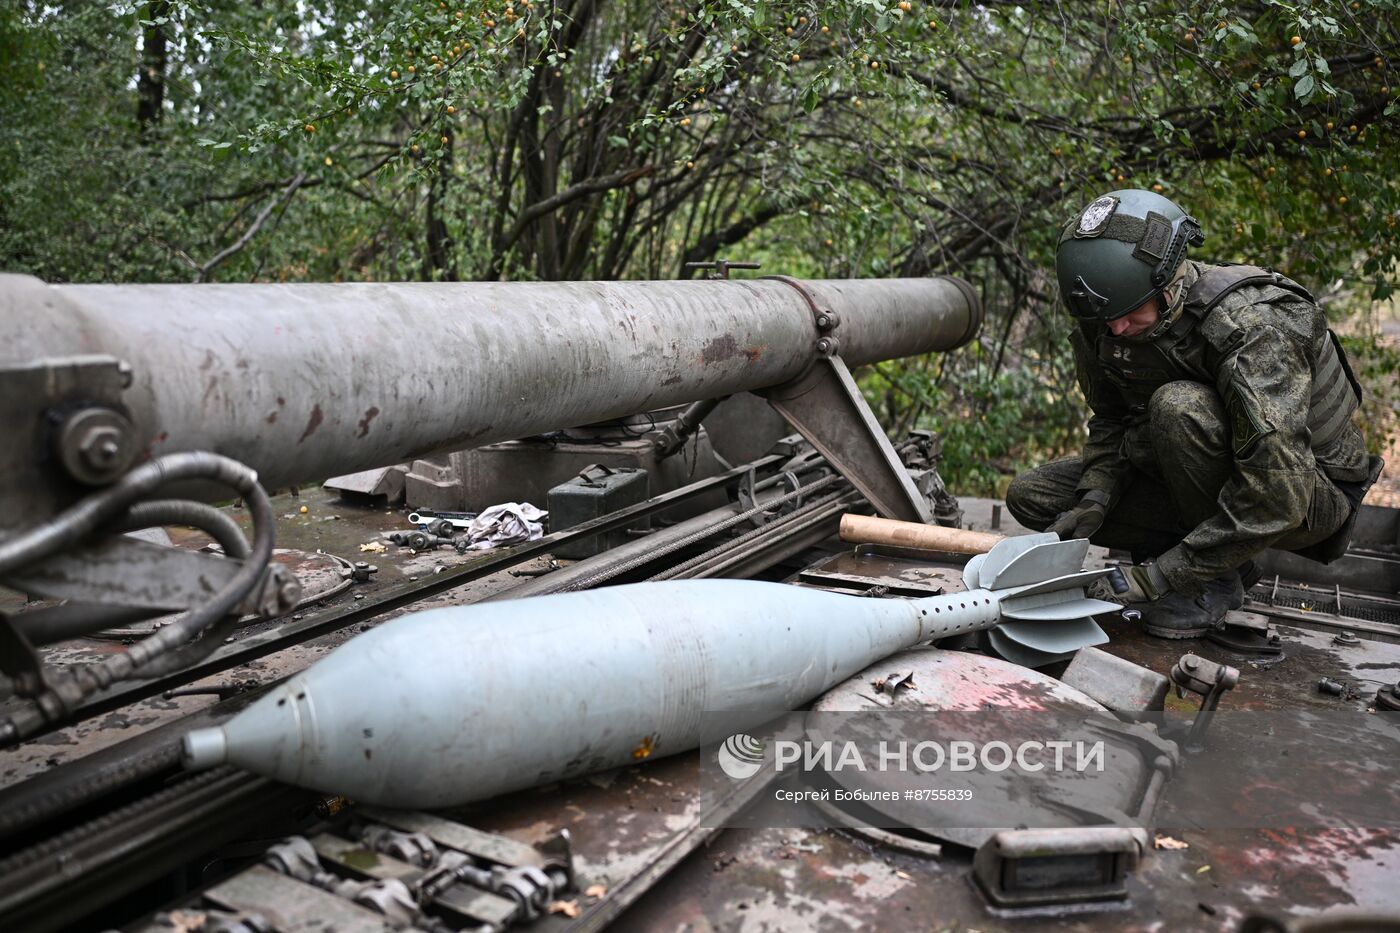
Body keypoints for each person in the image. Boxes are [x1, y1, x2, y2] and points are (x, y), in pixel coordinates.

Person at [1006, 189, 1383, 638]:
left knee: (1178, 406)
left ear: (1167, 284)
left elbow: (1279, 498)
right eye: (1107, 321)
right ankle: (1213, 557)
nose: (1117, 330)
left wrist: (1160, 577)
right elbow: (1112, 418)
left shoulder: (1252, 328)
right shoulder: (1106, 317)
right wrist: (1096, 495)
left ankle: (1212, 579)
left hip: (1305, 495)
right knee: (1034, 496)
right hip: (1203, 473)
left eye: (1128, 315)